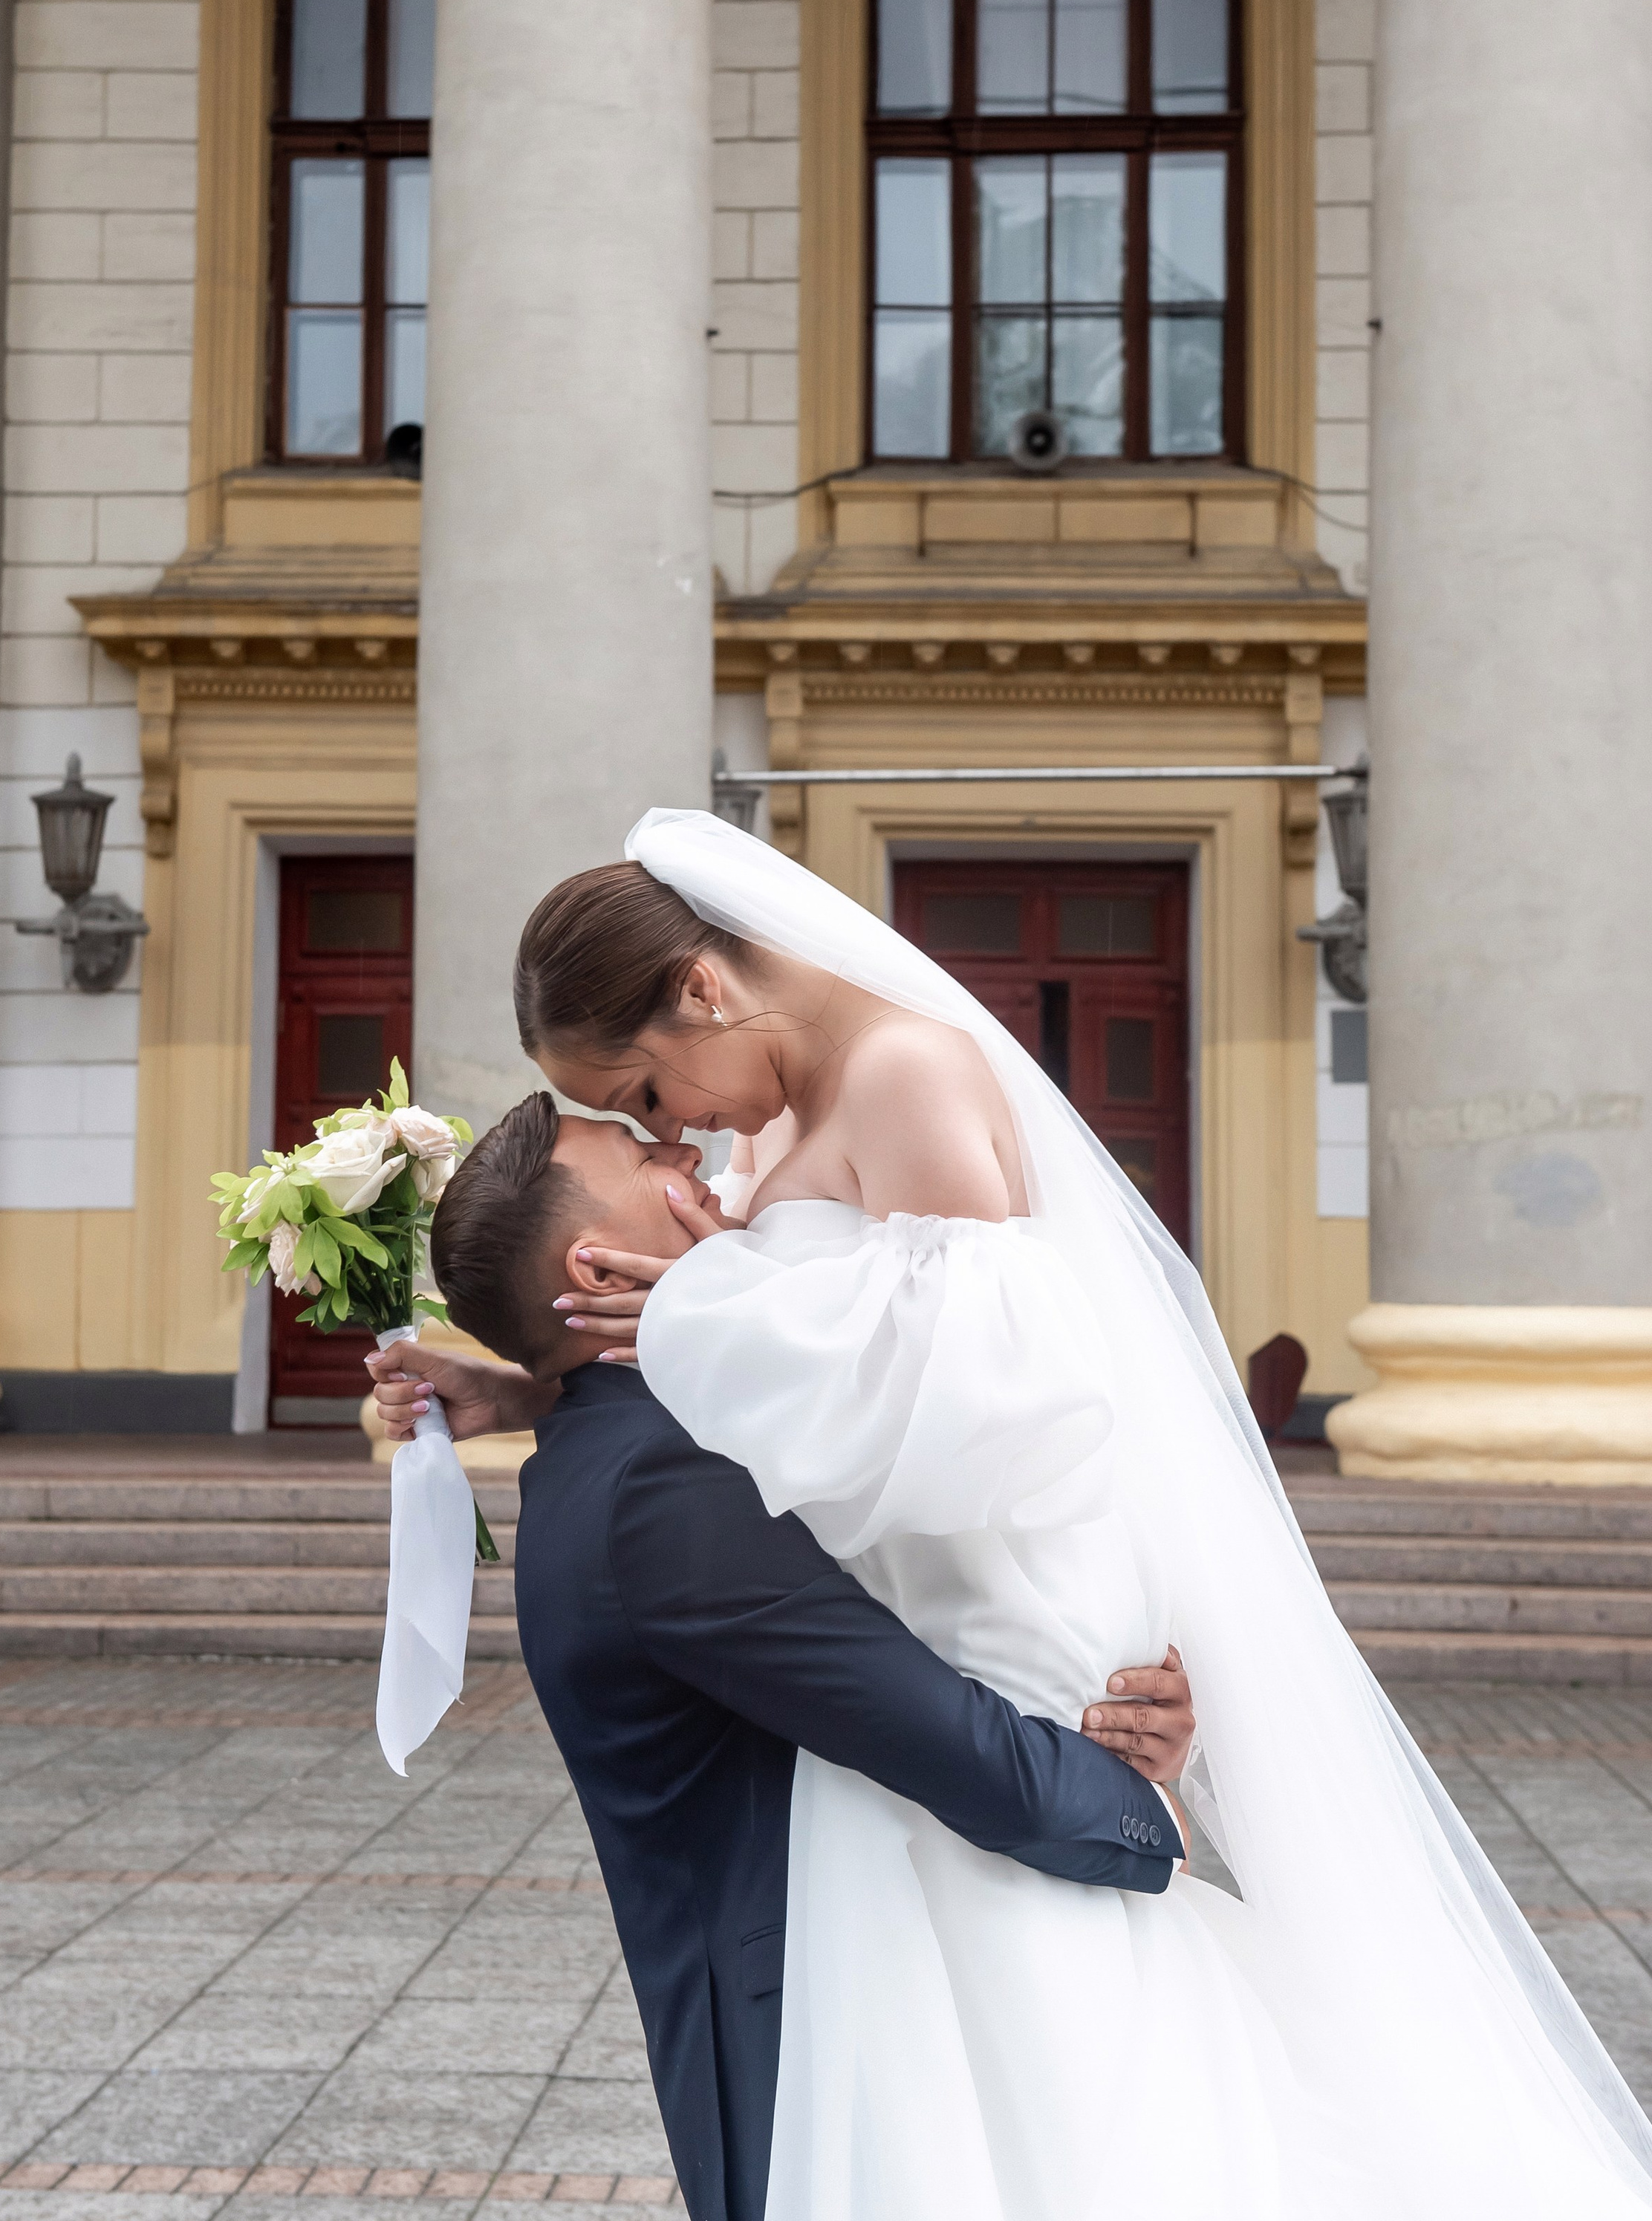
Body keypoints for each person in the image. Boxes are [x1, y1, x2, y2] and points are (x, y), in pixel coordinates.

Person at [445, 808, 1652, 2221]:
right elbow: (826, 1379)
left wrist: (719, 1311)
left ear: (703, 992)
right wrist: (536, 1387)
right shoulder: (781, 1128)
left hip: (987, 1622)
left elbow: (999, 1420)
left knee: (1072, 2086)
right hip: (914, 1657)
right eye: (638, 1124)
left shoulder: (908, 1075)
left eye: (649, 1091)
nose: (672, 1133)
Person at [368, 1093, 1197, 2221]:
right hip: (817, 2047)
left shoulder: (621, 1448)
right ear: (596, 1264)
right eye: (634, 1150)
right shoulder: (662, 1494)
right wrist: (1147, 1813)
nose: (681, 1144)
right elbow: (935, 1732)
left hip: (869, 1997)